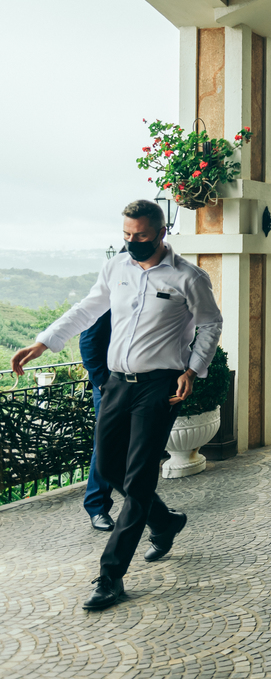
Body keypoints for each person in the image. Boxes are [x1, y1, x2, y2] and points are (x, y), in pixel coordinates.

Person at [10, 200, 223, 610]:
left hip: (160, 385)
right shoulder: (116, 269)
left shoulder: (188, 277)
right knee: (109, 468)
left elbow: (210, 322)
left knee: (139, 478)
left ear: (161, 233)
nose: (131, 243)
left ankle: (111, 577)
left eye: (140, 236)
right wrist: (42, 342)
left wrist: (193, 370)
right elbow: (87, 309)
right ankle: (165, 522)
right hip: (117, 383)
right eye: (126, 235)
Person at [79, 309, 115, 531]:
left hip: (137, 383)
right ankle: (96, 507)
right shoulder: (104, 302)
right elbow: (88, 342)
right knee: (106, 445)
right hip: (109, 386)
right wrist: (103, 383)